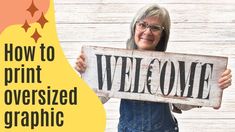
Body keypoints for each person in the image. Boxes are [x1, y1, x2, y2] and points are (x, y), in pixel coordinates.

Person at [75, 4, 232, 132]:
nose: (147, 31)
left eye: (155, 27)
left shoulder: (173, 66)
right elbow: (95, 101)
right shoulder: (117, 64)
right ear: (134, 28)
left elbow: (181, 103)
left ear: (163, 34)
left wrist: (213, 88)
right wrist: (86, 75)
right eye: (142, 24)